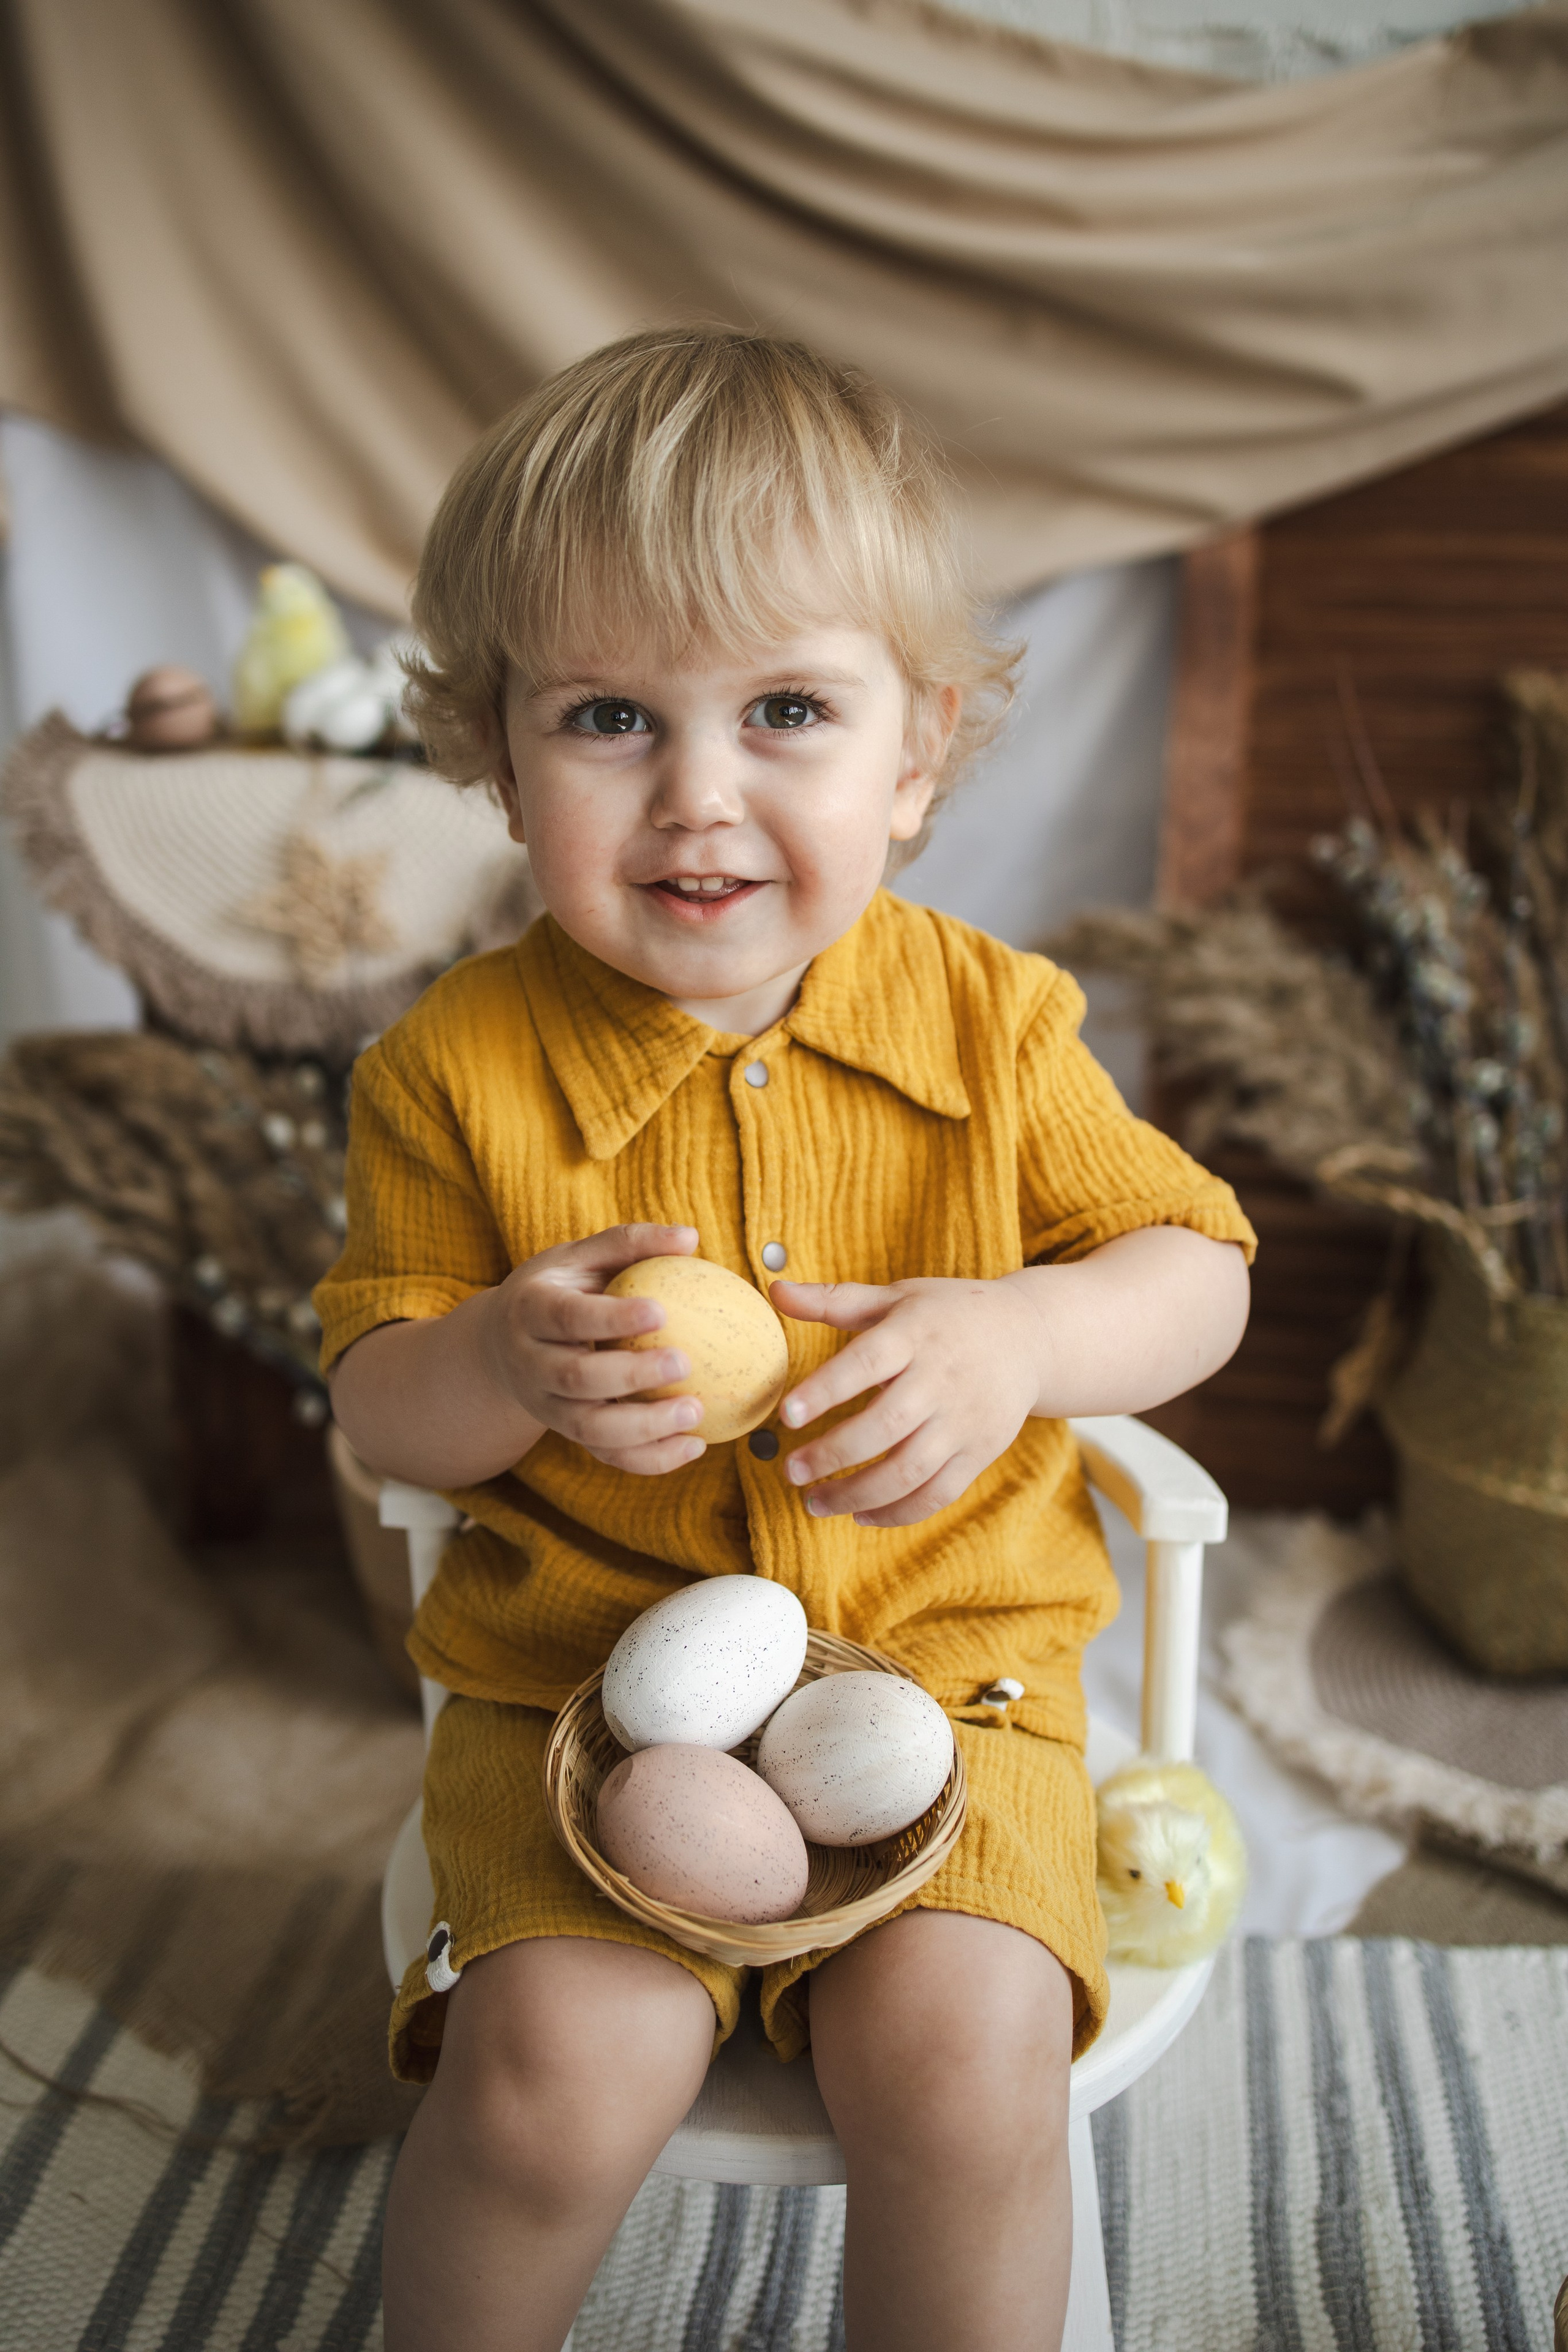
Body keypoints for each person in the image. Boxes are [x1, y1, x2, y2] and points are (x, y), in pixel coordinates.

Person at [319, 326, 1254, 2352]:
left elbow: (1201, 1268)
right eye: (608, 717)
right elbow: (381, 1396)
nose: (699, 797)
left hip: (951, 1683)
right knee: (551, 2082)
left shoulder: (995, 1026)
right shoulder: (450, 1069)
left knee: (967, 2069)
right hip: (583, 1706)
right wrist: (498, 1364)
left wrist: (1025, 1335)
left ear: (913, 756)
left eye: (788, 711)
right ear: (497, 759)